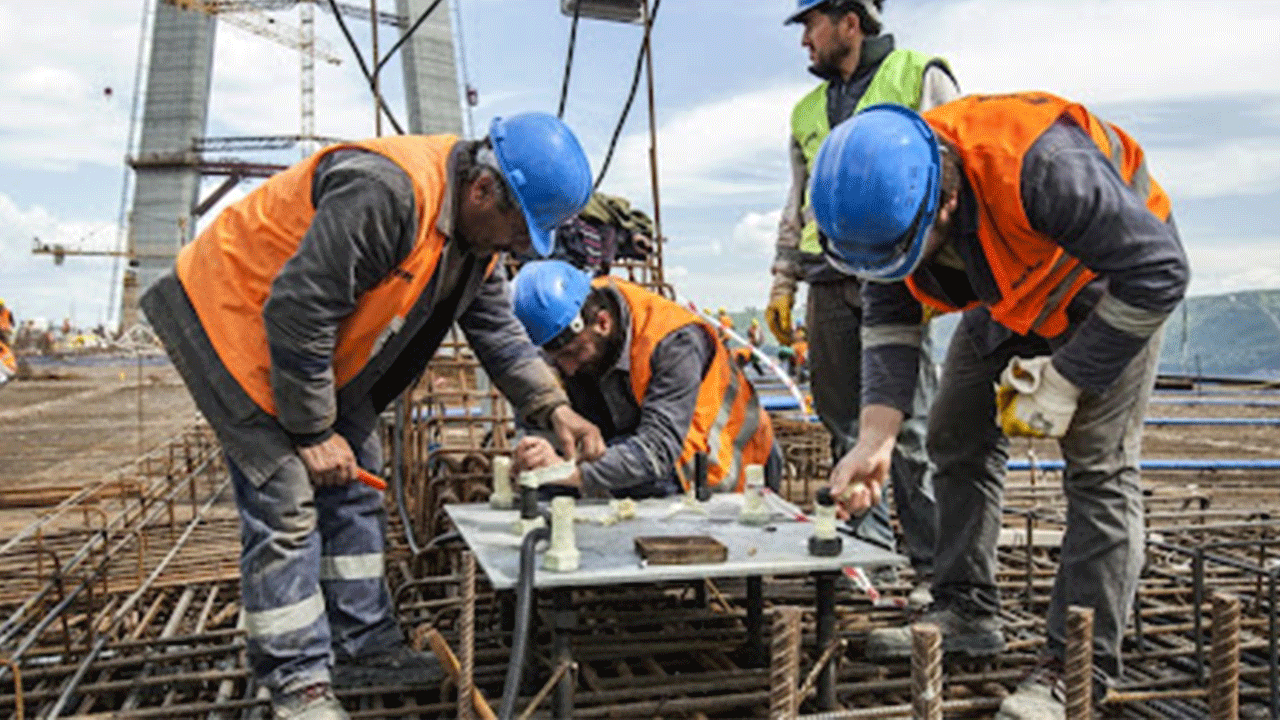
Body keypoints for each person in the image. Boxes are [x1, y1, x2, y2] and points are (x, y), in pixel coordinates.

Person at [140, 113, 606, 720]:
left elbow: (497, 333)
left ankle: (360, 644)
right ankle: (297, 682)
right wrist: (309, 431)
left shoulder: (475, 240)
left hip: (316, 351)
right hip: (231, 323)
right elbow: (300, 308)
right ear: (483, 189)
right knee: (285, 497)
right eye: (521, 230)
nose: (522, 248)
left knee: (361, 473)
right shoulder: (389, 192)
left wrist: (554, 407)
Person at [809, 95, 1188, 717]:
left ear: (946, 201)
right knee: (956, 430)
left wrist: (1068, 378)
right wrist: (875, 438)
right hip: (1014, 288)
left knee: (1099, 472)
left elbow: (1161, 273)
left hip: (1115, 286)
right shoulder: (888, 196)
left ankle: (1077, 670)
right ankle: (966, 610)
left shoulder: (1043, 167)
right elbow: (891, 311)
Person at [766, 0, 957, 601]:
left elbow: (954, 172)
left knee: (913, 427)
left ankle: (932, 566)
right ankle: (870, 559)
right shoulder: (805, 111)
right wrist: (783, 280)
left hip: (899, 270)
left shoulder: (917, 74)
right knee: (843, 424)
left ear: (850, 21)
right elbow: (798, 201)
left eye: (811, 25)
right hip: (827, 276)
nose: (804, 42)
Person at [510, 260, 781, 498]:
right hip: (649, 453)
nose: (568, 369)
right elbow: (540, 416)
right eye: (558, 359)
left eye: (574, 353)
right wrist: (535, 451)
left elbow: (658, 449)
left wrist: (570, 473)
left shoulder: (674, 342)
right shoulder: (561, 324)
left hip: (728, 466)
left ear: (603, 323)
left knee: (642, 484)